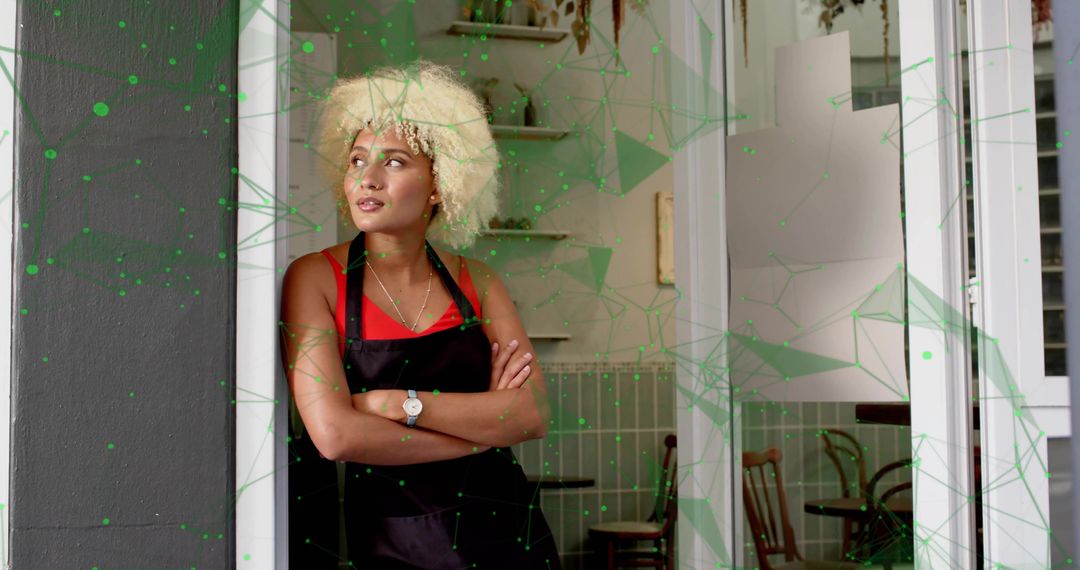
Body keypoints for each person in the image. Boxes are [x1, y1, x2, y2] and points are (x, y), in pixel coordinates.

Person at [280, 59, 562, 569]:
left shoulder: (480, 282)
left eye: (394, 162)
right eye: (357, 159)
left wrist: (395, 403)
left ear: (440, 183)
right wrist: (479, 435)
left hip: (507, 536)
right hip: (394, 549)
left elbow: (532, 413)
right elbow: (335, 435)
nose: (367, 178)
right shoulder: (314, 279)